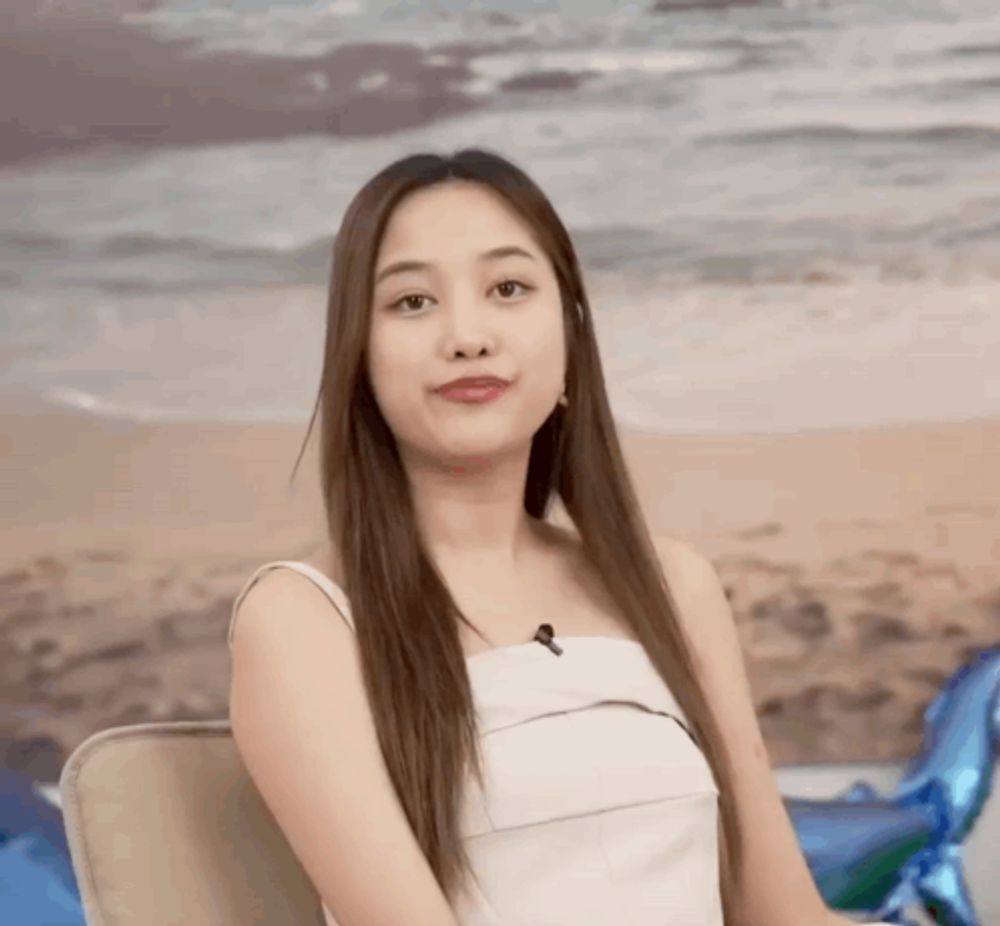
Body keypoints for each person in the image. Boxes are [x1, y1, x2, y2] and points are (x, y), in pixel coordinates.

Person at [226, 149, 859, 926]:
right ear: (359, 361)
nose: (467, 335)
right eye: (413, 302)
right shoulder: (302, 619)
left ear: (569, 341)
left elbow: (787, 915)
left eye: (509, 288)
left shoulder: (671, 583)